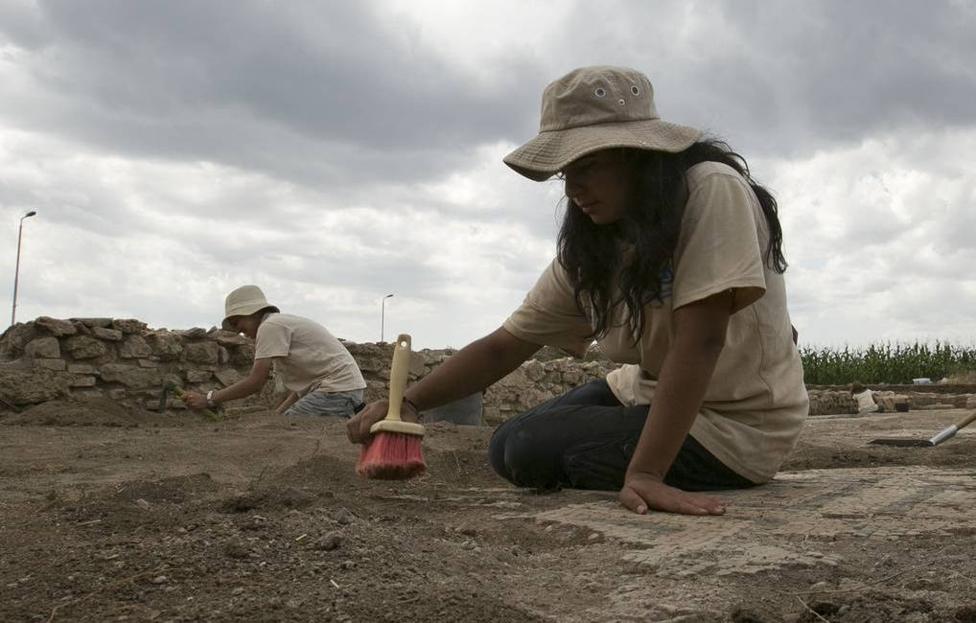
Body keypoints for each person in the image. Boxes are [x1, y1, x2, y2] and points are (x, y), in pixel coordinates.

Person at [346, 66, 808, 516]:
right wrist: (406, 403)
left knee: (524, 448)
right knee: (509, 443)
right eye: (567, 173)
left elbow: (702, 339)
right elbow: (505, 345)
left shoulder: (710, 190)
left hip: (736, 426)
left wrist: (646, 473)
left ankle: (663, 459)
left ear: (637, 155)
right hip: (645, 390)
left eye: (587, 166)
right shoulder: (599, 240)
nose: (575, 190)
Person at [183, 285, 367, 418]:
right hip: (342, 390)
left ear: (252, 313)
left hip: (337, 392)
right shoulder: (279, 325)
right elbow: (302, 390)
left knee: (289, 434)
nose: (240, 331)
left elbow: (255, 382)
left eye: (238, 323)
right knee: (284, 424)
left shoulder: (269, 327)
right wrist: (278, 416)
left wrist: (209, 399)